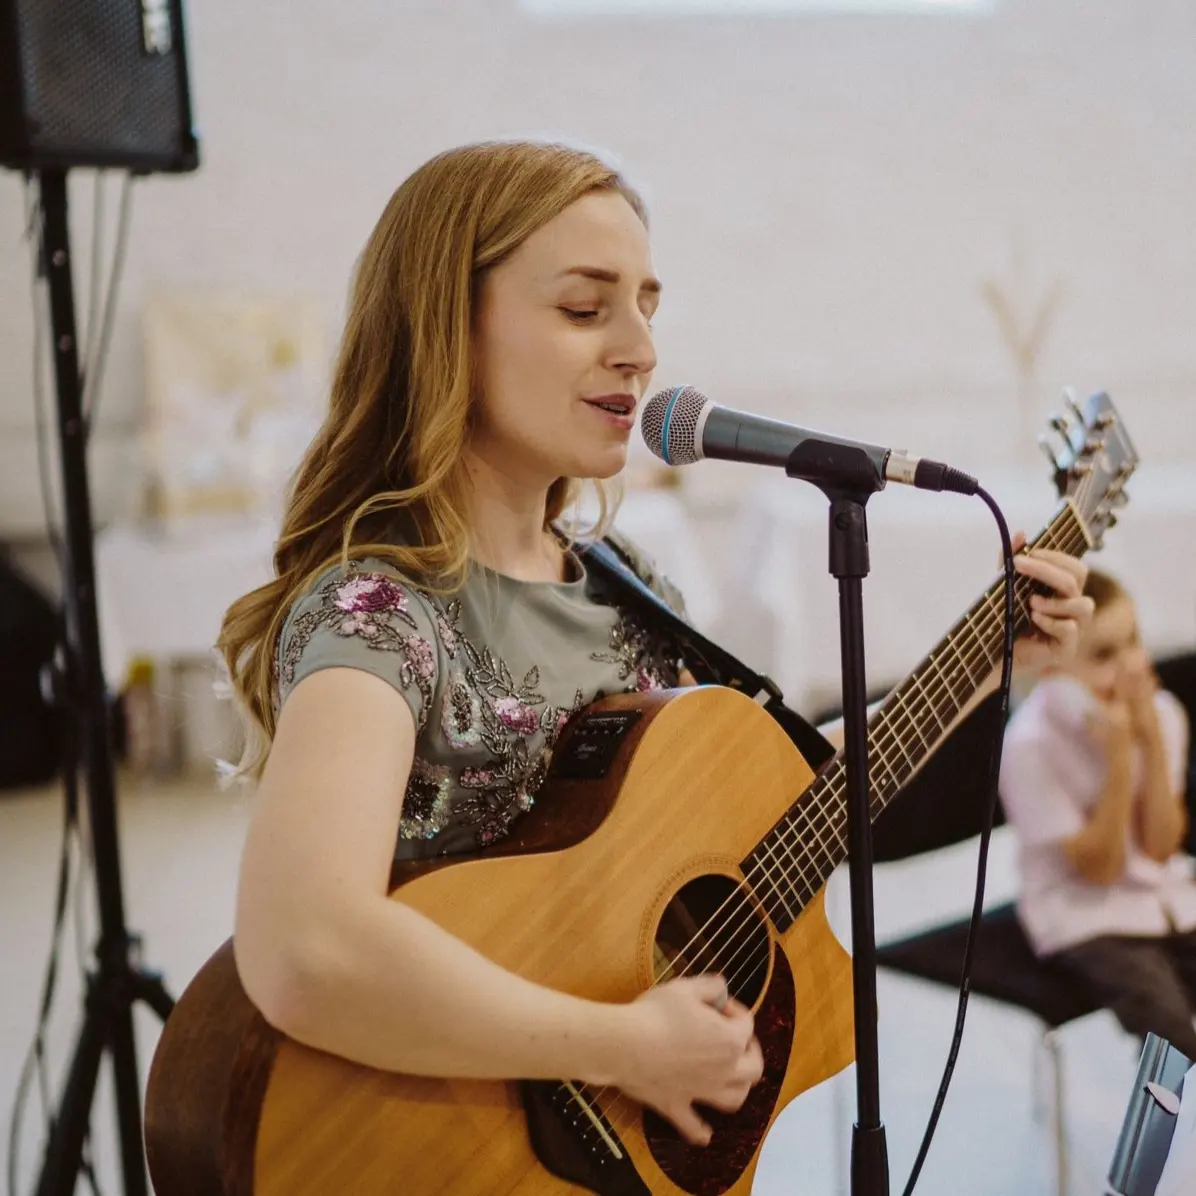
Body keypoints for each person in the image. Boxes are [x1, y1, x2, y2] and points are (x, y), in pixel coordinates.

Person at [219, 140, 1093, 1147]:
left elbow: (768, 812)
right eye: (584, 308)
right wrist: (619, 1045)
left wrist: (988, 660)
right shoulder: (378, 615)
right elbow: (305, 947)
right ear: (445, 328)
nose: (639, 349)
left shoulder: (624, 585)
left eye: (646, 306)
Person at [1001, 568, 1196, 1056]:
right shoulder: (1030, 745)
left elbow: (1160, 849)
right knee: (1172, 1036)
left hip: (1164, 895)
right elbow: (1101, 869)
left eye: (1134, 642)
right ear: (1051, 671)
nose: (1132, 667)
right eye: (1104, 655)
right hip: (1084, 912)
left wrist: (1151, 741)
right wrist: (1119, 759)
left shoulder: (1163, 713)